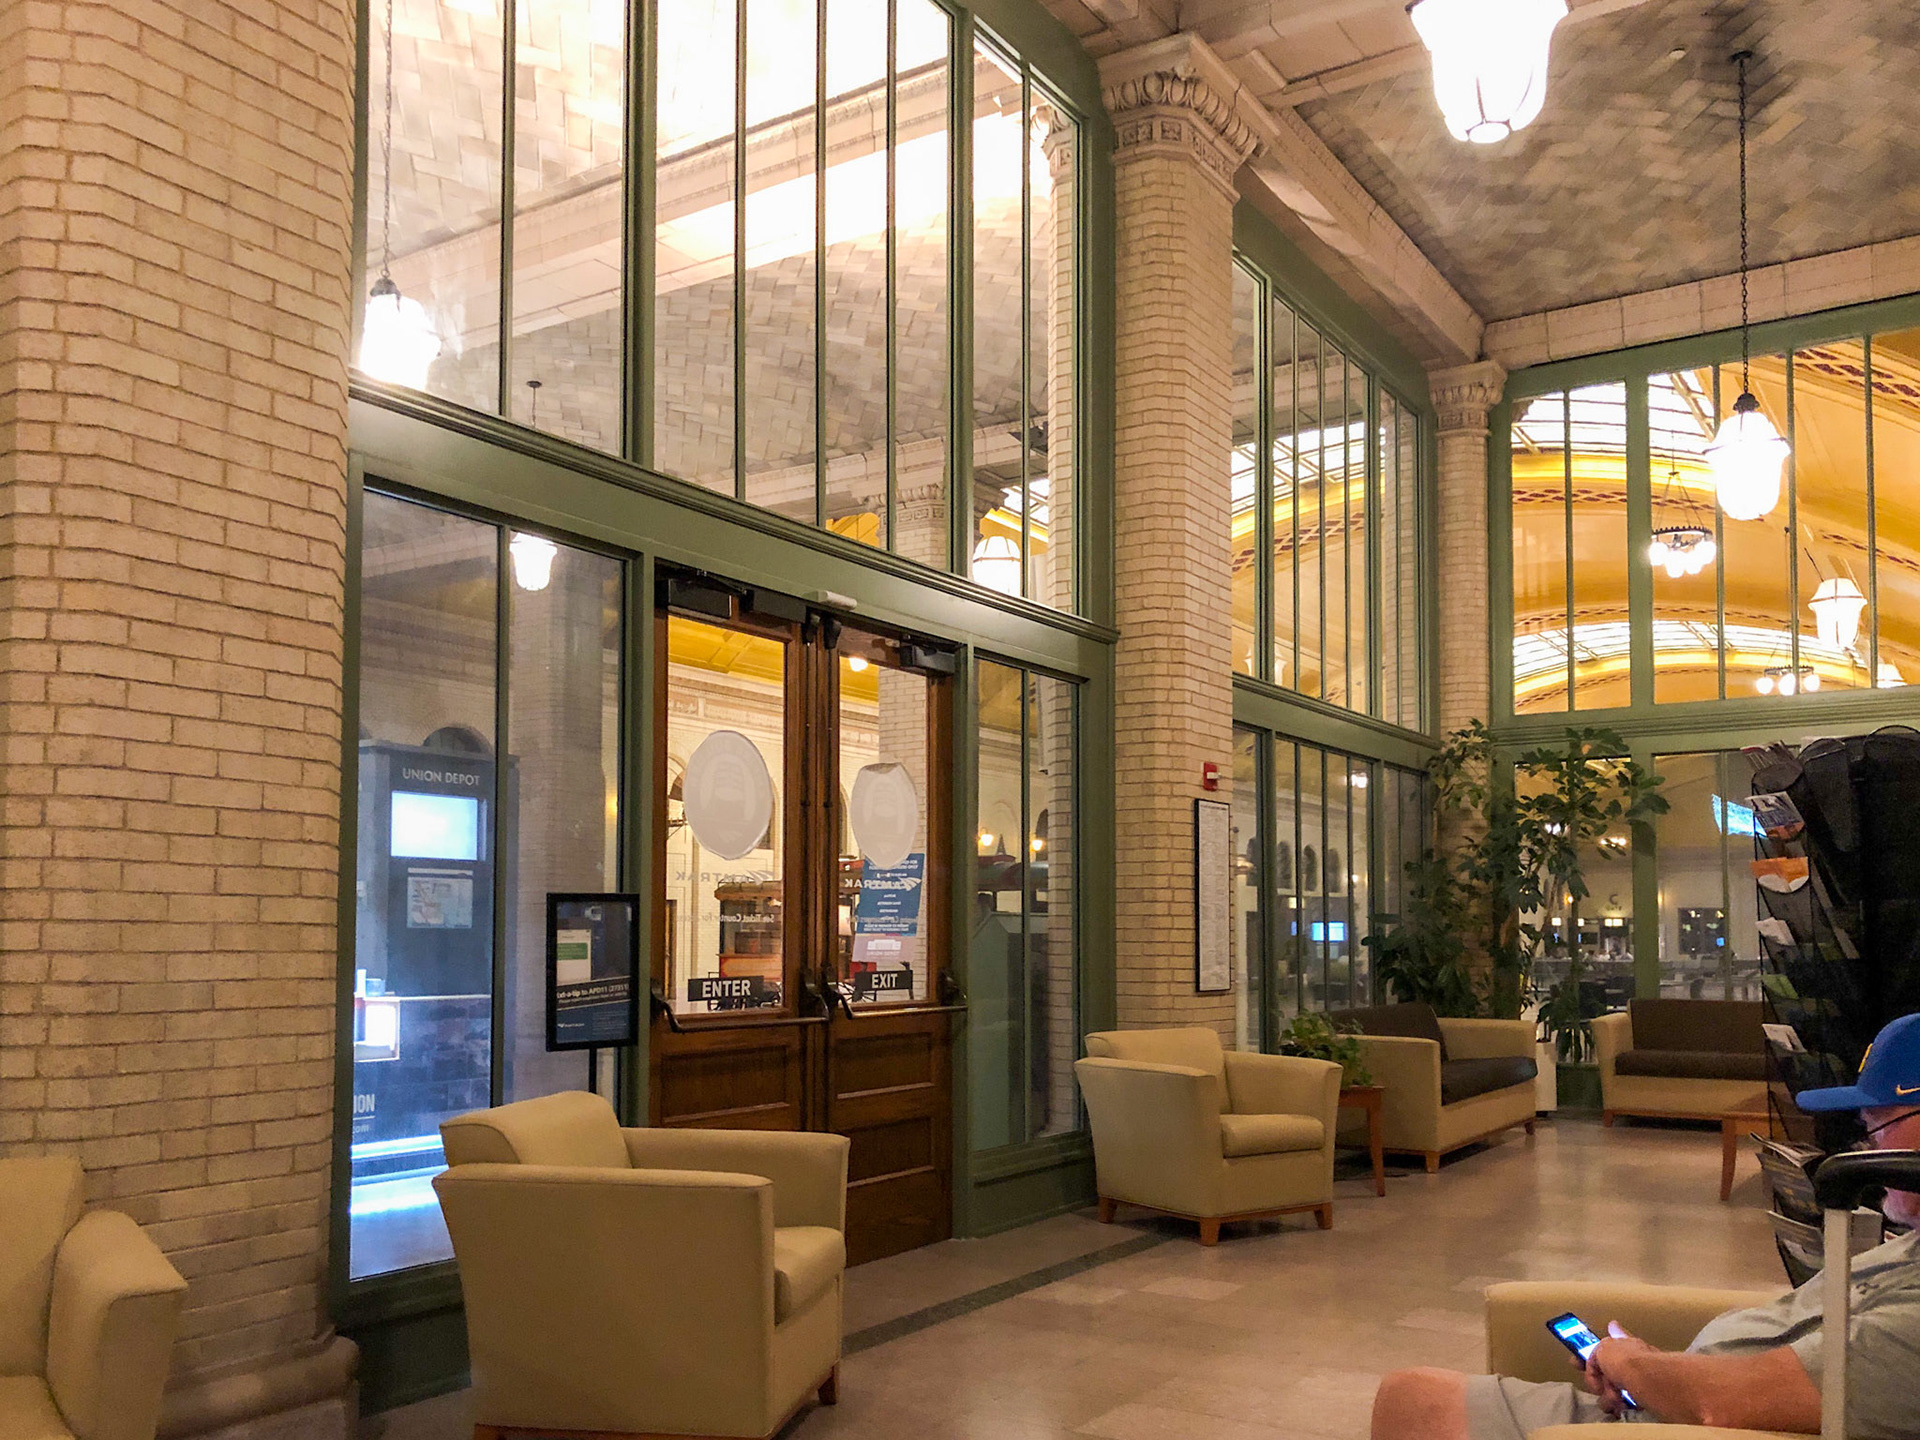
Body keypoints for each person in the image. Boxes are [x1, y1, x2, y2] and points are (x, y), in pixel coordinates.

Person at [1371, 1011, 1920, 1439]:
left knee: (1412, 1399)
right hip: (1666, 1400)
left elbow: (1725, 1405)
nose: (1863, 1143)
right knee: (1413, 1394)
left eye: (1881, 1123)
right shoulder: (1908, 1247)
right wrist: (1652, 1366)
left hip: (1675, 1425)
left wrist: (1633, 1364)